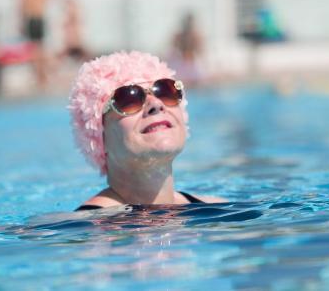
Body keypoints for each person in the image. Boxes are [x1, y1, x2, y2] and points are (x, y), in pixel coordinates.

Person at [68, 51, 225, 209]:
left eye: (165, 91)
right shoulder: (86, 229)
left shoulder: (219, 210)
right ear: (98, 138)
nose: (156, 104)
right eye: (128, 99)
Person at [19, 0, 49, 87]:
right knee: (40, 47)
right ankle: (42, 75)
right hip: (41, 14)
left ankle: (39, 76)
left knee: (33, 48)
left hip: (31, 16)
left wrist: (21, 19)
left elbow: (22, 1)